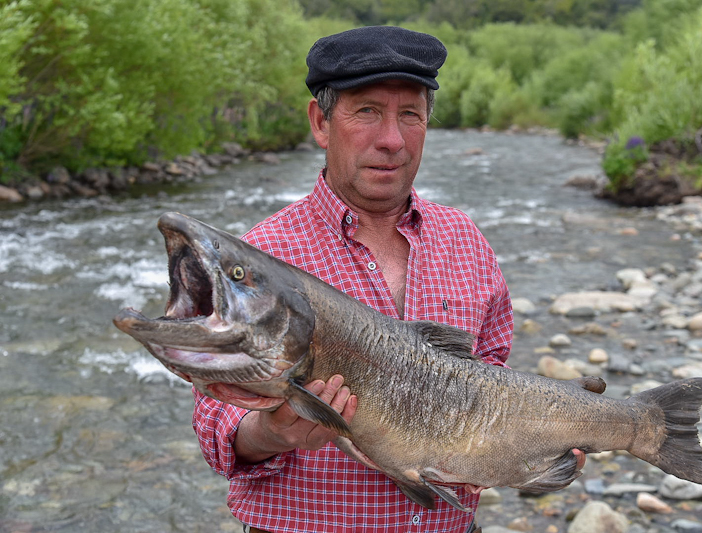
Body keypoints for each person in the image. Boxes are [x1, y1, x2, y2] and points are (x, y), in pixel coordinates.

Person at [192, 26, 591, 533]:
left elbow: (490, 371)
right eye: (367, 112)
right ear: (321, 122)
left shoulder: (464, 239)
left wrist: (532, 449)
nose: (392, 140)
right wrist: (272, 432)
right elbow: (214, 425)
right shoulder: (264, 258)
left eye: (410, 115)